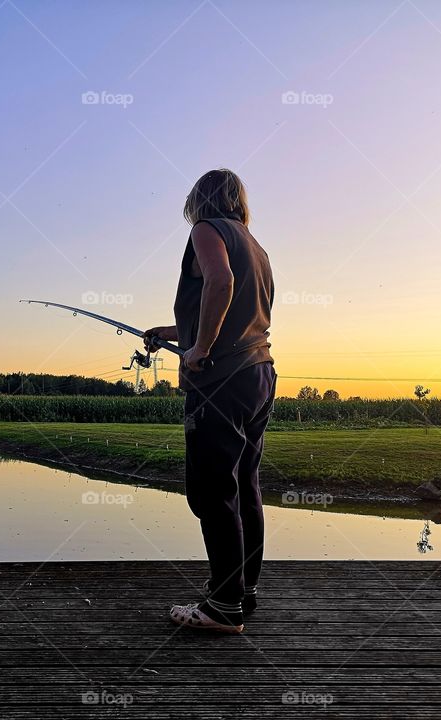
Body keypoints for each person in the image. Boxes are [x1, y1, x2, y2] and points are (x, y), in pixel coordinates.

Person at [144, 168, 276, 634]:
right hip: (258, 373)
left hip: (221, 382)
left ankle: (223, 608)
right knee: (244, 485)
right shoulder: (255, 247)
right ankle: (242, 591)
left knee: (211, 491)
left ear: (199, 200)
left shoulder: (206, 230)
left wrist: (198, 351)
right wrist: (173, 333)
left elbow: (220, 284)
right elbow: (233, 312)